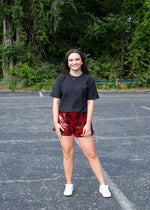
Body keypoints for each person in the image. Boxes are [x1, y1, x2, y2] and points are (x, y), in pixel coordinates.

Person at [50, 49, 111, 198]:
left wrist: (88, 123)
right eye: (71, 60)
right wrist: (56, 123)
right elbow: (55, 103)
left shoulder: (88, 79)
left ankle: (103, 186)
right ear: (67, 63)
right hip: (64, 119)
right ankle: (69, 184)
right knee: (68, 153)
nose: (74, 62)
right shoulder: (61, 80)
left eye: (77, 59)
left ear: (82, 61)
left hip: (82, 119)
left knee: (91, 154)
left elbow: (90, 103)